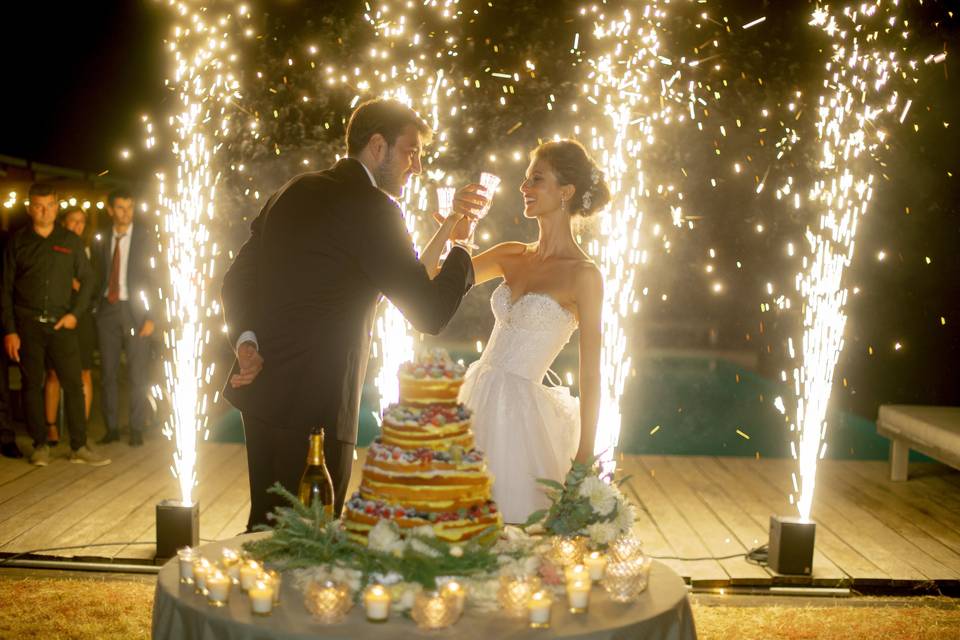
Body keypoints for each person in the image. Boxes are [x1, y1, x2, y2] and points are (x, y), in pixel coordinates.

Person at [221, 98, 484, 530]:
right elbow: (429, 312)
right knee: (312, 539)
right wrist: (463, 250)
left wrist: (246, 342)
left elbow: (236, 279)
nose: (416, 166)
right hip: (319, 407)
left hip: (264, 391)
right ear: (378, 146)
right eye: (411, 151)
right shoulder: (376, 210)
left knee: (264, 530)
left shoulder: (294, 190)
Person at [423, 139, 610, 524]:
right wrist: (450, 228)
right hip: (472, 399)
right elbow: (427, 281)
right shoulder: (510, 254)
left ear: (566, 192)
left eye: (536, 180)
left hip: (522, 420)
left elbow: (592, 372)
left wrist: (585, 453)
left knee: (512, 522)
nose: (524, 188)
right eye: (525, 179)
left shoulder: (584, 275)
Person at [2, 183, 108, 466]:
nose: (44, 211)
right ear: (29, 208)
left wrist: (75, 313)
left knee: (74, 385)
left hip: (63, 325)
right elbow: (5, 288)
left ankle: (79, 446)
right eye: (38, 206)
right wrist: (10, 330)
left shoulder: (70, 241)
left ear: (56, 207)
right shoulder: (18, 242)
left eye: (49, 205)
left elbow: (89, 280)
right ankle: (40, 446)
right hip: (27, 325)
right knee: (31, 385)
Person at [92, 189, 158, 447]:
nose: (126, 213)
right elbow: (95, 272)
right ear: (110, 210)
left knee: (137, 373)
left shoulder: (145, 237)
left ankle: (137, 427)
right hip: (107, 310)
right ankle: (111, 428)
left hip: (136, 311)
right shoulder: (100, 238)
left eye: (130, 207)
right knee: (107, 373)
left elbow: (157, 278)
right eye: (120, 208)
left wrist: (152, 316)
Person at [44, 206, 96, 445]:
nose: (77, 225)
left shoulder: (91, 250)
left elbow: (97, 282)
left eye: (81, 222)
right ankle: (51, 426)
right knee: (53, 373)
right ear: (63, 222)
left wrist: (83, 288)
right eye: (72, 221)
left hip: (82, 317)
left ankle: (81, 429)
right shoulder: (54, 247)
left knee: (84, 370)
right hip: (58, 314)